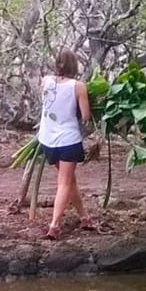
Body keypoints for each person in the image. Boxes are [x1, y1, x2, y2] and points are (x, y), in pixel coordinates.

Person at [37, 49, 96, 240]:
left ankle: (84, 217)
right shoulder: (78, 86)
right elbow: (86, 116)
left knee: (70, 181)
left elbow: (46, 103)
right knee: (64, 182)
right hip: (68, 140)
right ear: (75, 66)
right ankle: (54, 225)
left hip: (47, 140)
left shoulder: (46, 80)